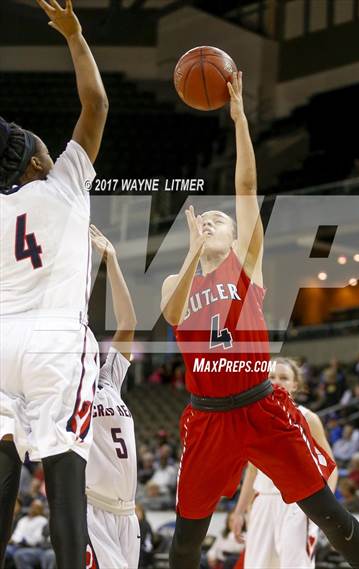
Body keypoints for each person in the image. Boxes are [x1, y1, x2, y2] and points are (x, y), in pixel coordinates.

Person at [161, 71, 359, 569]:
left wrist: (238, 119)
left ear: (236, 238)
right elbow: (172, 316)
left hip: (262, 408)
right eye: (205, 220)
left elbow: (246, 185)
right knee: (187, 537)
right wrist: (193, 254)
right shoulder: (178, 281)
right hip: (208, 416)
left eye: (222, 221)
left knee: (324, 509)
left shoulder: (246, 264)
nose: (212, 222)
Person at [0, 2, 108, 568]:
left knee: (1, 486)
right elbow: (95, 104)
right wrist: (75, 36)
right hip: (54, 345)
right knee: (66, 482)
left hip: (0, 345)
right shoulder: (64, 180)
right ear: (37, 162)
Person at [231, 358, 338, 569]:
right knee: (256, 565)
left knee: (294, 565)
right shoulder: (254, 418)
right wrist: (239, 511)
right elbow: (252, 470)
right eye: (271, 377)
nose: (277, 382)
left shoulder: (308, 417)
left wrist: (327, 508)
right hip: (262, 501)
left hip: (299, 503)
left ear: (295, 385)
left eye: (284, 377)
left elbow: (331, 467)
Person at [85, 226, 140, 569]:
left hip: (128, 512)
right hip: (93, 509)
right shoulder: (64, 393)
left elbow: (128, 322)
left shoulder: (108, 383)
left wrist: (112, 260)